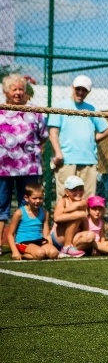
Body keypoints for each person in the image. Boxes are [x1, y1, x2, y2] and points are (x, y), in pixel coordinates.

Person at [0, 74, 48, 253]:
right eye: (14, 89)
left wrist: (29, 151)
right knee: (1, 205)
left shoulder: (35, 111)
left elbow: (43, 136)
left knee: (27, 205)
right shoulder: (1, 110)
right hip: (3, 168)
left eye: (21, 89)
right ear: (6, 92)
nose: (18, 93)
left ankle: (26, 241)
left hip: (29, 166)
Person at [47, 75, 108, 198]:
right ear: (72, 87)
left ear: (88, 91)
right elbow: (53, 133)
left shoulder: (92, 109)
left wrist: (91, 139)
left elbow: (107, 131)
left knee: (87, 199)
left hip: (88, 161)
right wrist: (58, 153)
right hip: (67, 160)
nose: (80, 92)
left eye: (84, 90)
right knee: (65, 198)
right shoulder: (60, 106)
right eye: (78, 89)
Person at [7, 182, 60, 261]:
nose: (38, 201)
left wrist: (50, 247)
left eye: (40, 198)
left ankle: (37, 253)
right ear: (26, 198)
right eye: (34, 198)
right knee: (40, 254)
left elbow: (46, 234)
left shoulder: (44, 213)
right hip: (24, 242)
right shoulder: (19, 213)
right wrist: (14, 251)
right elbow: (10, 234)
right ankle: (22, 254)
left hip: (39, 241)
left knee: (54, 253)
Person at [51, 175, 96, 258]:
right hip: (59, 237)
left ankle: (70, 250)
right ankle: (66, 246)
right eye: (74, 190)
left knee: (91, 236)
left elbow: (85, 228)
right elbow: (57, 218)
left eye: (81, 189)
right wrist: (79, 214)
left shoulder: (83, 203)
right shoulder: (63, 201)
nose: (78, 192)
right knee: (77, 216)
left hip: (74, 238)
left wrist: (88, 243)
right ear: (66, 192)